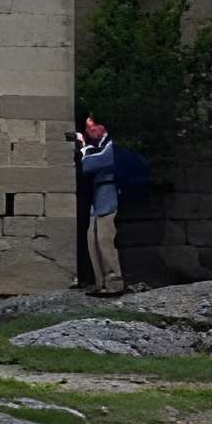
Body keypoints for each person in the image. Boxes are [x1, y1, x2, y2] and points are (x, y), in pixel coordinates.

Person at [74, 114, 125, 297]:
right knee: (93, 240)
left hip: (108, 197)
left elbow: (89, 164)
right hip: (98, 199)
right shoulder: (100, 147)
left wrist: (84, 149)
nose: (89, 131)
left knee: (105, 241)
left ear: (103, 127)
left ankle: (114, 283)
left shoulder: (111, 146)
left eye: (93, 126)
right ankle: (100, 283)